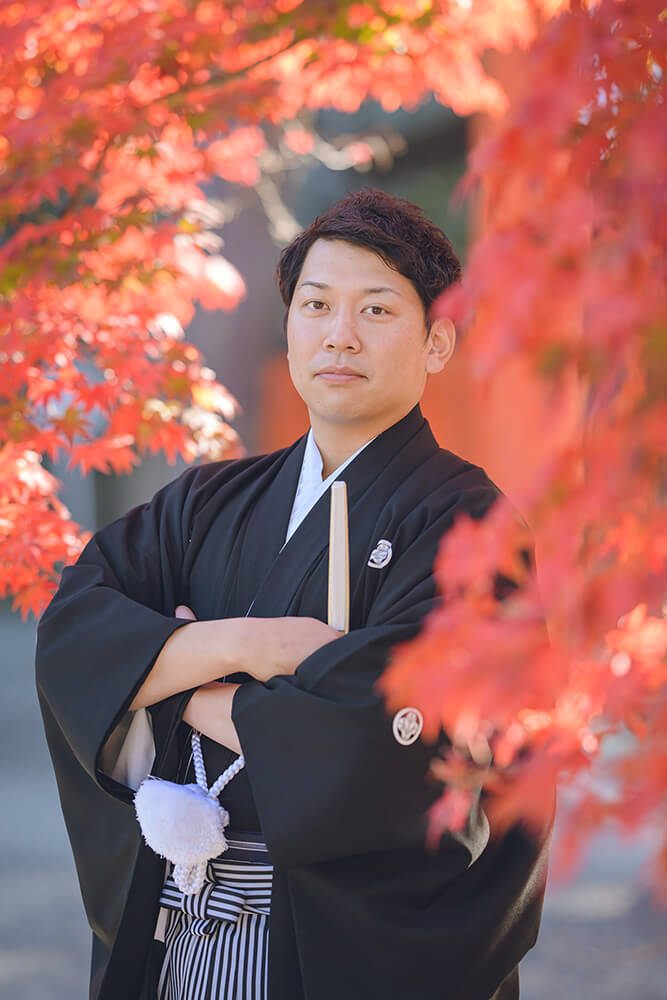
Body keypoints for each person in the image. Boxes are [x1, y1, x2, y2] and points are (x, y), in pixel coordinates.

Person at [36, 188, 550, 1000]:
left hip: (340, 948)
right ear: (290, 324)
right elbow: (74, 629)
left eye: (377, 310)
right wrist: (247, 648)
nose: (339, 335)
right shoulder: (209, 501)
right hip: (182, 927)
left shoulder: (471, 525)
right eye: (316, 305)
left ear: (438, 339)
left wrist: (177, 684)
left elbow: (386, 738)